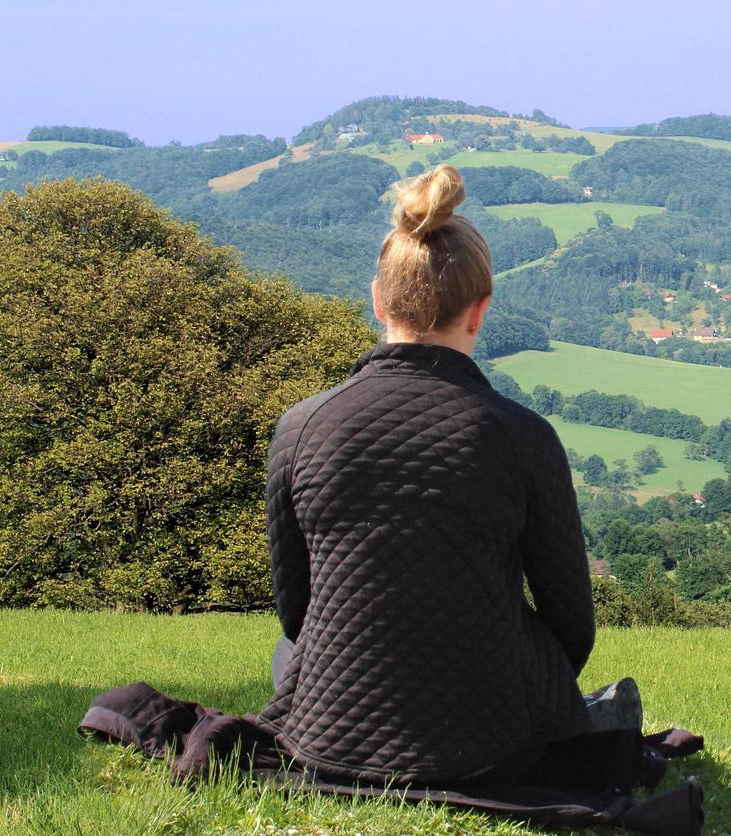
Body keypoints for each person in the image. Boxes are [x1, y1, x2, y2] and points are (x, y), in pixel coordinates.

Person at [257, 164, 631, 787]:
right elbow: (571, 630)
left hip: (326, 739)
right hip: (490, 745)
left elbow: (298, 614)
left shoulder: (300, 428)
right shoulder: (524, 437)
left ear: (378, 300)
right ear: (480, 312)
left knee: (286, 655)